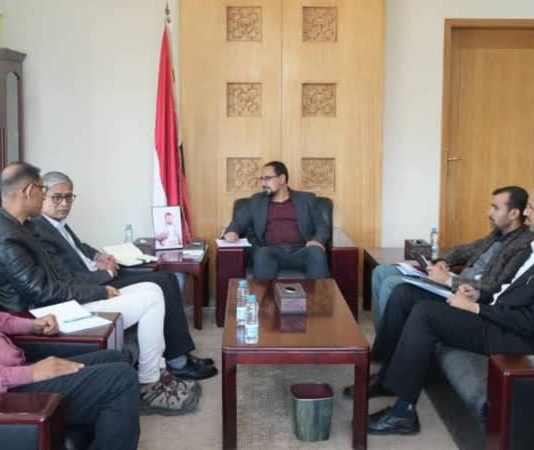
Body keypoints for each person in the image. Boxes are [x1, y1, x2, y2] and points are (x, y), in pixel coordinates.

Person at [0, 162, 199, 415]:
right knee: (151, 298)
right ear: (29, 191)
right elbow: (42, 292)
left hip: (62, 299)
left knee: (152, 289)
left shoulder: (23, 226)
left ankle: (157, 372)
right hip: (46, 314)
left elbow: (60, 273)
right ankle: (149, 382)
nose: (45, 196)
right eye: (43, 190)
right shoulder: (8, 237)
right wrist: (99, 290)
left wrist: (96, 270)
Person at [359, 188, 534, 436]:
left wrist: (475, 307)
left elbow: (528, 321)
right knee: (404, 293)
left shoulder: (523, 243)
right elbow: (503, 288)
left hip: (512, 335)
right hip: (491, 310)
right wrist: (477, 295)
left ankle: (403, 413)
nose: (527, 213)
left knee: (426, 313)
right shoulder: (530, 249)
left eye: (531, 208)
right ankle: (388, 376)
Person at [30, 171, 216, 381]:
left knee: (167, 278)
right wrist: (106, 273)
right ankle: (177, 361)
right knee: (164, 281)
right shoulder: (39, 229)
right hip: (92, 285)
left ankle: (178, 355)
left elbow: (79, 247)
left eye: (68, 197)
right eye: (57, 197)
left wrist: (99, 255)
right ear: (42, 196)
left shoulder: (57, 223)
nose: (64, 203)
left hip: (97, 274)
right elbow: (66, 276)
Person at [371, 186, 534, 328]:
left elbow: (496, 286)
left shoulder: (523, 244)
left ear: (513, 213)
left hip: (464, 293)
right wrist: (443, 261)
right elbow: (462, 251)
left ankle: (388, 344)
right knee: (382, 271)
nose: (489, 213)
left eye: (495, 208)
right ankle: (383, 335)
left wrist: (449, 280)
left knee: (391, 284)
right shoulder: (497, 234)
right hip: (452, 280)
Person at [1, 312, 139, 450]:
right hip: (8, 389)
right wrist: (31, 372)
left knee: (113, 358)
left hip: (15, 370)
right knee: (121, 380)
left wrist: (32, 325)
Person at [223, 161, 330, 279]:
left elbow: (321, 226)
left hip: (302, 250)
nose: (263, 183)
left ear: (282, 179)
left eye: (267, 178)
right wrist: (232, 231)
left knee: (316, 252)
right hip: (271, 252)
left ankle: (319, 292)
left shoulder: (306, 199)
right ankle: (266, 292)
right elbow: (239, 222)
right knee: (262, 254)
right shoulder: (257, 200)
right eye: (261, 179)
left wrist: (317, 240)